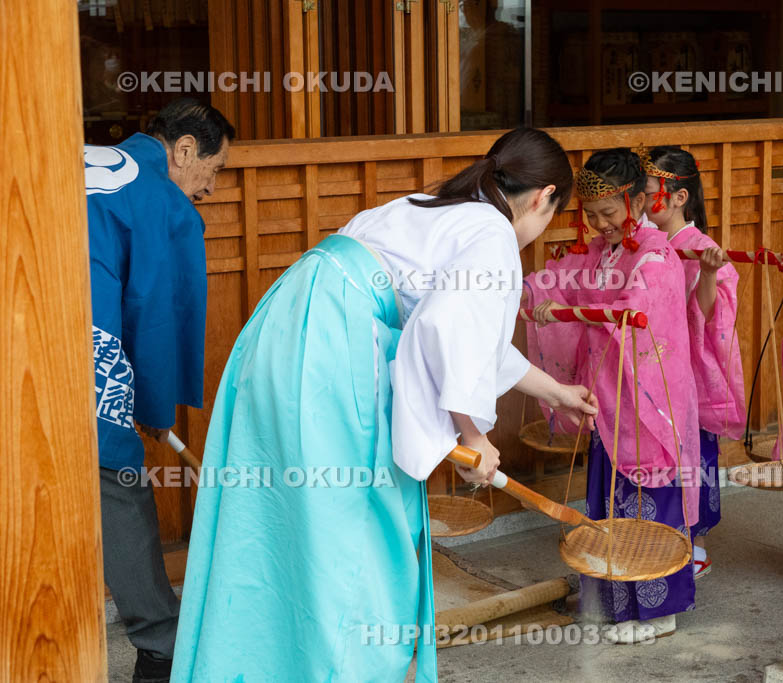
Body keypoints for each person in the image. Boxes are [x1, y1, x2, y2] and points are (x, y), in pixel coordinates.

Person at [170, 127, 598, 682]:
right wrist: (473, 437)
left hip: (286, 327)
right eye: (551, 214)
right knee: (357, 529)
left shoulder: (435, 205)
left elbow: (475, 344)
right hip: (336, 349)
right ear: (542, 197)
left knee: (278, 518)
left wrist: (558, 392)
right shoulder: (491, 232)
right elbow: (450, 329)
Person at [525, 148, 701, 644]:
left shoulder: (657, 254)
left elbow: (639, 314)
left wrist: (576, 312)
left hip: (648, 400)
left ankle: (659, 609)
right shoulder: (606, 253)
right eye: (592, 215)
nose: (600, 224)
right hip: (608, 395)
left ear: (638, 200)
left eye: (609, 212)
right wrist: (540, 296)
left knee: (651, 501)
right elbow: (579, 293)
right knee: (608, 502)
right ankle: (614, 602)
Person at [86, 97, 234, 683]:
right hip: (82, 344)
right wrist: (150, 407)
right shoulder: (159, 201)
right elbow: (152, 314)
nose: (211, 189)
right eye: (215, 170)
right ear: (185, 148)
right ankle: (160, 646)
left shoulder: (84, 160)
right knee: (119, 482)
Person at [640, 145, 745, 577]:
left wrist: (705, 273)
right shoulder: (644, 242)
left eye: (649, 192)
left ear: (678, 197)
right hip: (651, 360)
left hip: (686, 363)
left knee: (694, 452)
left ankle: (695, 538)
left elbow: (707, 313)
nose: (643, 201)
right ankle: (662, 530)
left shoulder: (701, 248)